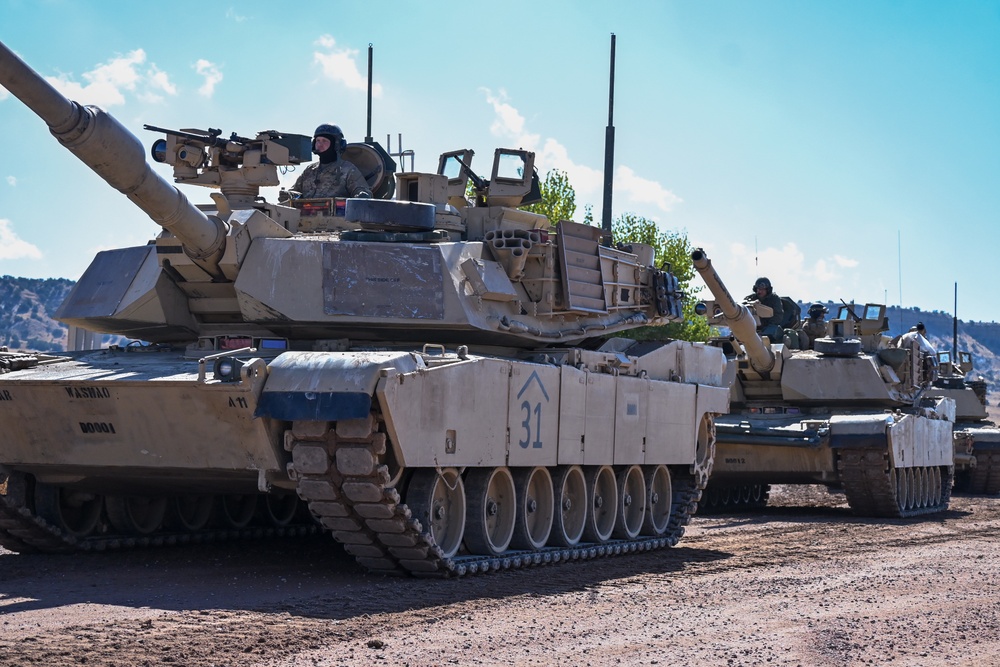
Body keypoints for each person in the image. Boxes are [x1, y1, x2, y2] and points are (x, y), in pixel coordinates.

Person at [290, 124, 372, 199]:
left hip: (335, 215)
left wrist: (362, 195)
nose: (320, 144)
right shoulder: (309, 170)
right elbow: (294, 191)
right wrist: (290, 195)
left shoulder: (347, 169)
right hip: (305, 214)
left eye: (324, 141)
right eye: (318, 140)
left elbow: (363, 193)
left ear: (336, 144)